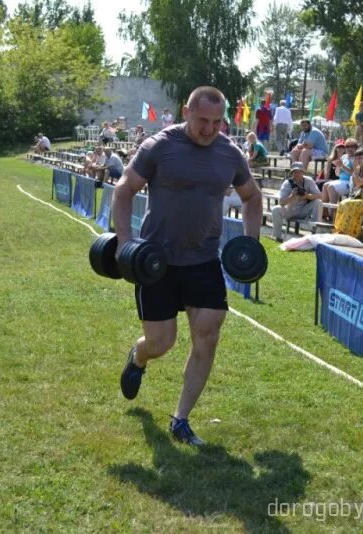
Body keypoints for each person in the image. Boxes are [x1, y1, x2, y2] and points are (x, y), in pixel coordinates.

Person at [112, 86, 262, 446]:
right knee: (161, 342)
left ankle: (181, 420)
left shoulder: (230, 154)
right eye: (202, 121)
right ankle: (139, 356)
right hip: (156, 261)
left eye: (217, 122)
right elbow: (123, 190)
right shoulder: (159, 146)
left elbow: (252, 198)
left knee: (208, 336)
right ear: (186, 112)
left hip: (204, 259)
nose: (210, 129)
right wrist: (123, 245)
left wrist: (250, 245)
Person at [271, 162, 322, 242]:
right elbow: (281, 202)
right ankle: (278, 237)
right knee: (275, 210)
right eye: (295, 172)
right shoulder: (287, 184)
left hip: (303, 210)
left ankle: (316, 233)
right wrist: (291, 197)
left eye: (299, 172)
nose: (297, 174)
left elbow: (319, 195)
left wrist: (307, 196)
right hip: (290, 210)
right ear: (292, 173)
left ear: (303, 172)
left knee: (318, 202)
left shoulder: (309, 181)